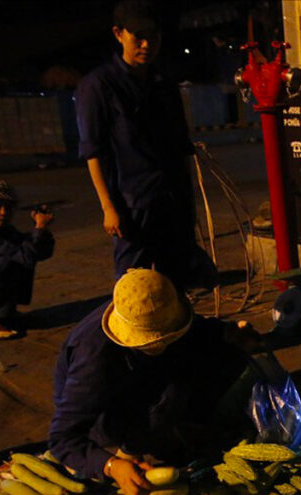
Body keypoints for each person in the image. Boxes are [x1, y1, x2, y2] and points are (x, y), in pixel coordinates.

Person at [49, 269, 257, 495]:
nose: (163, 341)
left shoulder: (157, 309)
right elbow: (62, 439)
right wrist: (110, 466)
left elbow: (196, 330)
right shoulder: (94, 358)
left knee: (224, 357)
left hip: (138, 380)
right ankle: (130, 449)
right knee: (171, 395)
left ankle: (174, 429)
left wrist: (228, 333)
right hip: (105, 416)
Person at [76, 0, 215, 291]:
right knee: (133, 287)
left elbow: (181, 146)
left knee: (176, 285)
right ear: (118, 34)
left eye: (153, 36)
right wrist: (108, 206)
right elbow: (93, 151)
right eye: (138, 37)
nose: (146, 44)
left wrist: (189, 202)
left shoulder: (164, 84)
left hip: (172, 200)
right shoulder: (99, 85)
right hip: (133, 204)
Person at [0, 180, 55, 339]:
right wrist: (39, 229)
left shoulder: (4, 229)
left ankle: (4, 313)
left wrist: (41, 228)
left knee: (19, 256)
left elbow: (39, 253)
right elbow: (24, 256)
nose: (3, 212)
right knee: (10, 261)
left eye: (8, 207)